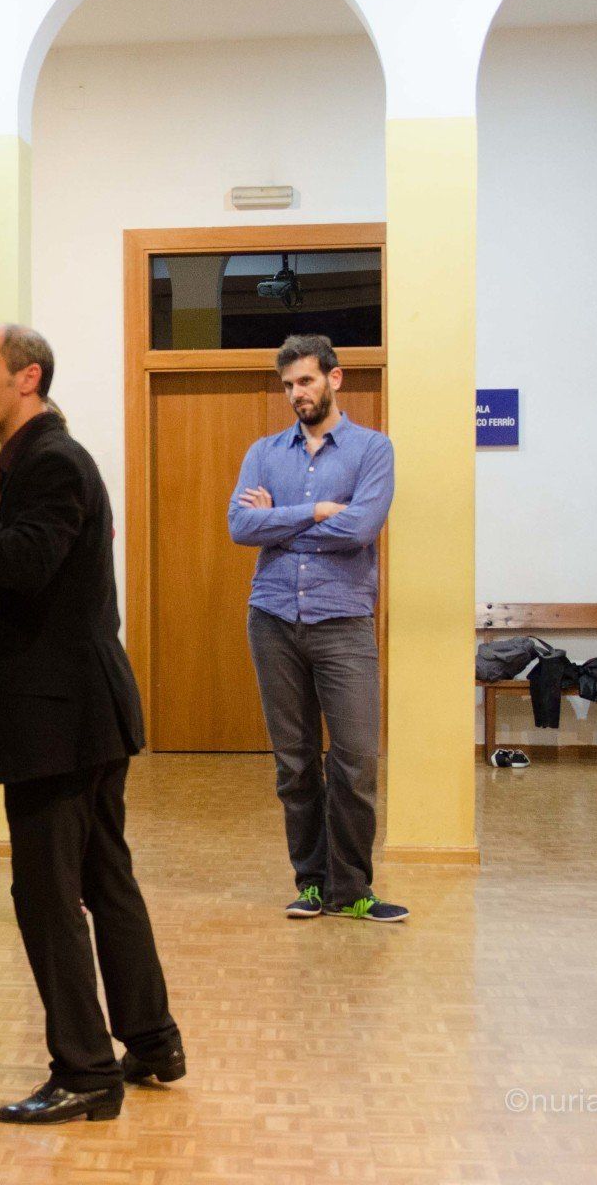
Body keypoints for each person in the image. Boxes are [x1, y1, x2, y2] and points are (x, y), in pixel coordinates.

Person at [0, 323, 183, 1125]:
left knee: (47, 894)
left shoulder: (51, 462)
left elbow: (21, 563)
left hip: (62, 719)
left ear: (27, 378)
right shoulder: (33, 462)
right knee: (104, 880)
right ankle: (152, 1041)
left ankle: (86, 1072)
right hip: (81, 713)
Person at [229, 334, 406, 923]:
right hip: (273, 619)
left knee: (355, 761)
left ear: (335, 378)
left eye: (305, 381)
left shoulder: (372, 449)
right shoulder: (264, 453)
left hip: (343, 622)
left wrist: (277, 523)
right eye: (287, 385)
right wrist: (313, 511)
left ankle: (351, 890)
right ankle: (310, 883)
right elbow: (239, 526)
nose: (295, 394)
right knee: (296, 763)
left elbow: (361, 529)